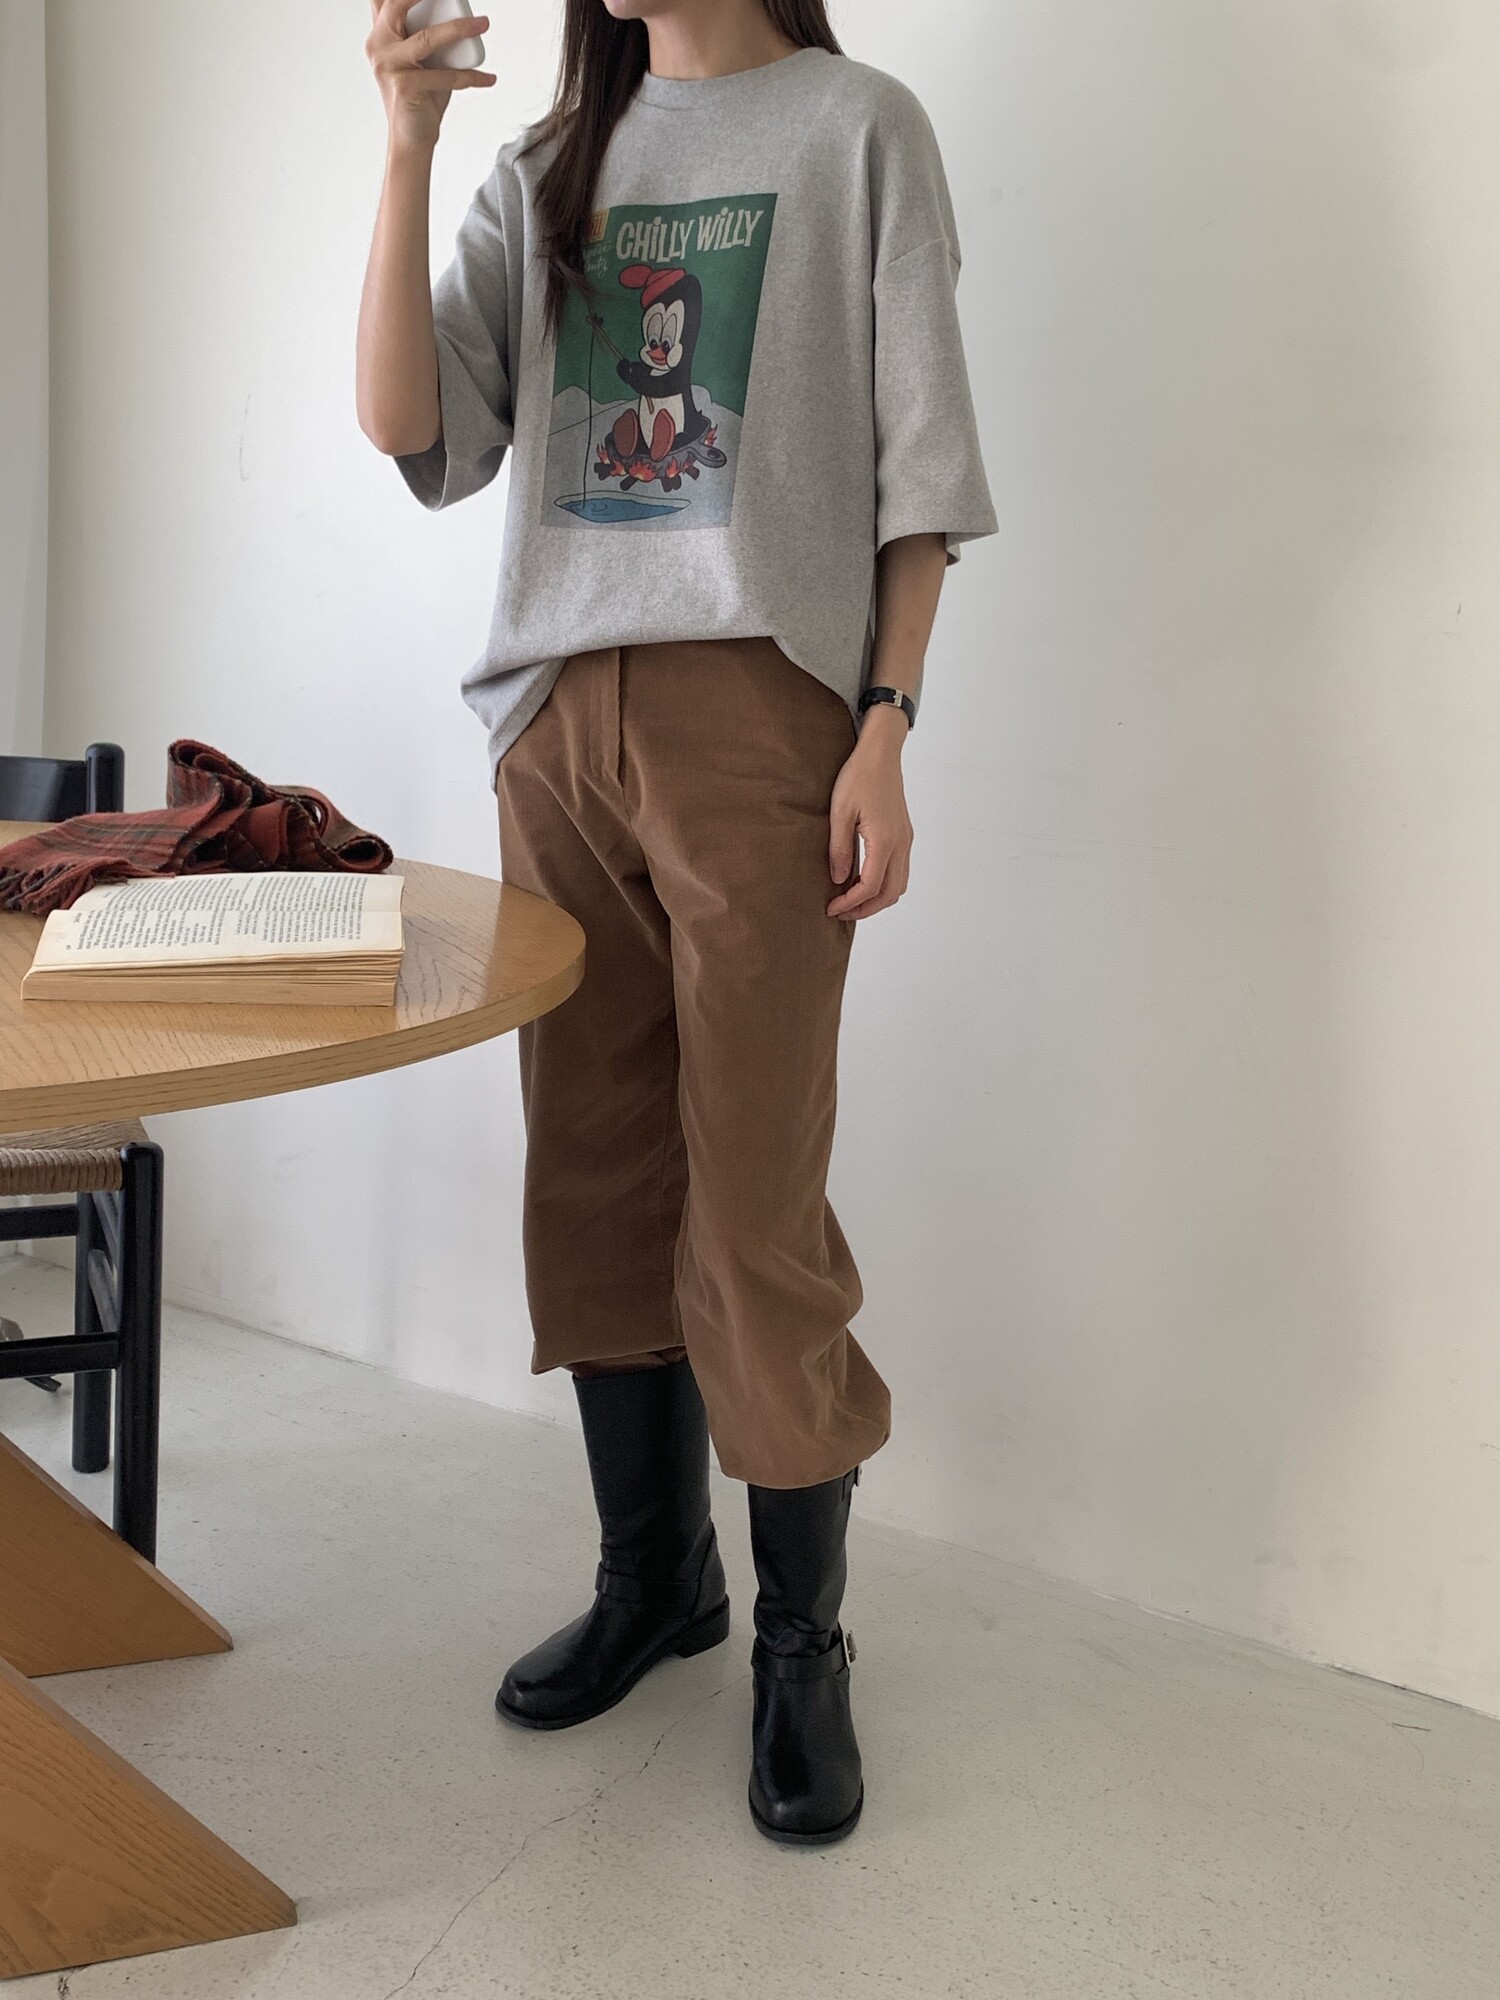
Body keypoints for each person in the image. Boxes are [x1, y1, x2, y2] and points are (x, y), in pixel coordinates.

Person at [357, 0, 995, 1847]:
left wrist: (885, 727)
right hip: (559, 723)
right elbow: (414, 428)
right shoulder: (549, 162)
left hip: (761, 716)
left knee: (754, 1199)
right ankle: (657, 1583)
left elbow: (923, 469)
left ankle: (803, 1640)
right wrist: (406, 142)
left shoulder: (857, 127)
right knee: (593, 1171)